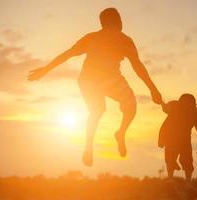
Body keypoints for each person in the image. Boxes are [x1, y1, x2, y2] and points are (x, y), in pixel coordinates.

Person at [28, 8, 162, 166]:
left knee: (96, 111)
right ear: (120, 22)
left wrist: (46, 70)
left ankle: (88, 145)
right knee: (131, 105)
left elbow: (68, 54)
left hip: (88, 80)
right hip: (111, 78)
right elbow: (137, 66)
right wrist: (153, 89)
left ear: (102, 23)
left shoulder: (91, 37)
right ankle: (121, 133)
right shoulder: (125, 39)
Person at [158, 93, 197, 183]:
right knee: (181, 161)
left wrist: (160, 101)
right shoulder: (195, 112)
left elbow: (164, 108)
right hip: (177, 139)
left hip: (174, 138)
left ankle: (173, 179)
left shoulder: (178, 106)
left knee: (174, 159)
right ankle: (185, 183)